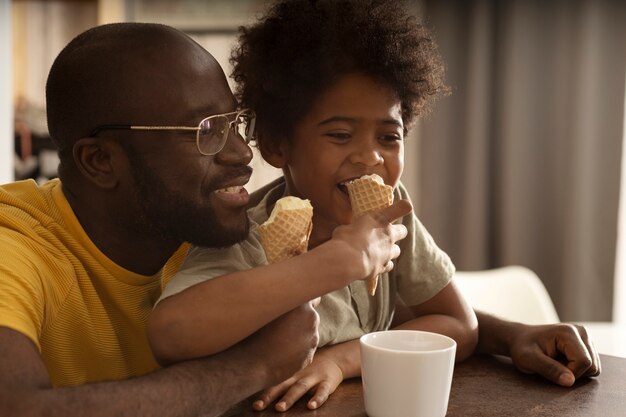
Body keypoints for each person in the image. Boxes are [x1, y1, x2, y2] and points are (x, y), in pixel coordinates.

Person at [148, 0, 601, 412]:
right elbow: (172, 333)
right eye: (340, 135)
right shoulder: (247, 234)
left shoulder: (392, 216)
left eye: (389, 137)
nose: (370, 158)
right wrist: (335, 263)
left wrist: (342, 360)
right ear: (276, 144)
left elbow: (458, 325)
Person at [0, 22, 413, 417]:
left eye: (235, 124)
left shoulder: (221, 229)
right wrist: (254, 367)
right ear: (102, 161)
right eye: (205, 130)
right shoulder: (14, 245)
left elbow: (400, 315)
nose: (242, 154)